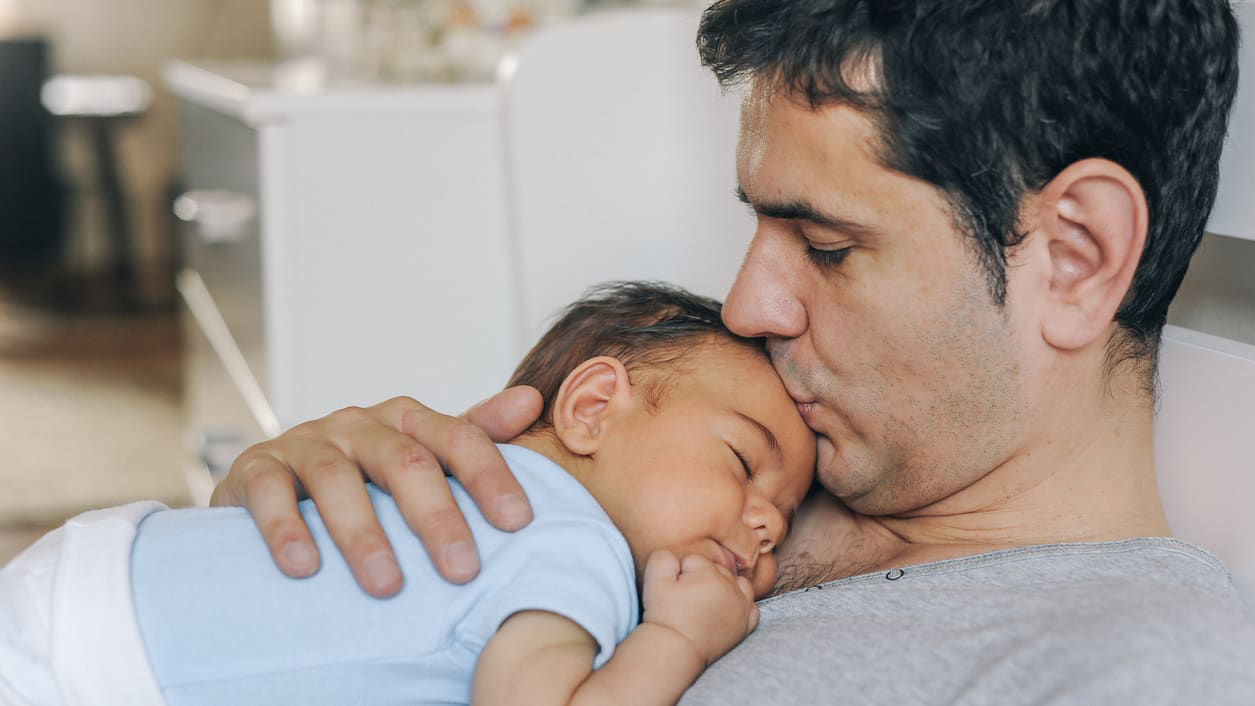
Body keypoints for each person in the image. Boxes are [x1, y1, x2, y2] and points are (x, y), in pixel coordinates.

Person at [212, 0, 1255, 703]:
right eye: (756, 229)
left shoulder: (1140, 668)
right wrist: (288, 506)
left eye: (827, 247)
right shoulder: (711, 473)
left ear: (1075, 256)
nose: (748, 303)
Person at [0, 282, 815, 706]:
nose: (765, 525)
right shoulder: (577, 548)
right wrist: (678, 637)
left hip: (104, 576)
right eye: (745, 462)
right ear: (592, 408)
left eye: (782, 517)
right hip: (105, 669)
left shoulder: (482, 479)